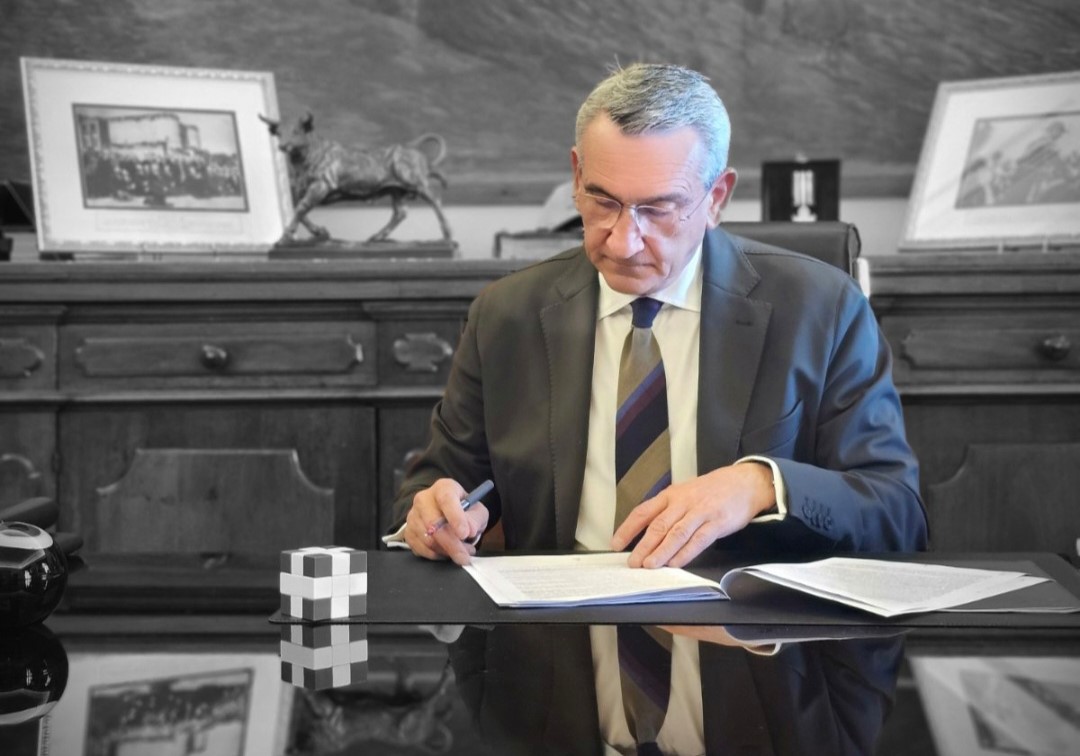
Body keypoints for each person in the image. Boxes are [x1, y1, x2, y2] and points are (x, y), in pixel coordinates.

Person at [385, 62, 926, 753]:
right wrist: (435, 514)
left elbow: (897, 516)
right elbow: (434, 486)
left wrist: (760, 485)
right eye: (602, 201)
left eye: (658, 209)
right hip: (549, 659)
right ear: (576, 173)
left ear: (717, 196)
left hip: (759, 658)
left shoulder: (820, 309)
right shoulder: (507, 315)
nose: (622, 240)